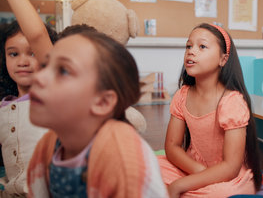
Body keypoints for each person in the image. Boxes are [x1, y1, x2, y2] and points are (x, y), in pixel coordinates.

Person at [26, 30, 167, 197]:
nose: (37, 77)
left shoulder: (125, 161)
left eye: (63, 71)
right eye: (44, 66)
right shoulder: (48, 146)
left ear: (102, 102)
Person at [157, 23, 262, 197]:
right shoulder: (182, 95)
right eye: (189, 46)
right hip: (191, 168)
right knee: (143, 166)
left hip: (226, 178)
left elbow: (230, 167)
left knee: (220, 193)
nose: (191, 51)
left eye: (202, 46)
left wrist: (179, 185)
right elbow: (172, 146)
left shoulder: (232, 101)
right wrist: (198, 173)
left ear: (223, 59)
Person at [0, 0, 58, 195]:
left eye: (32, 53)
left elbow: (36, 33)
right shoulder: (3, 107)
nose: (22, 61)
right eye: (13, 54)